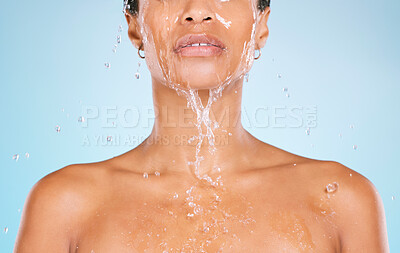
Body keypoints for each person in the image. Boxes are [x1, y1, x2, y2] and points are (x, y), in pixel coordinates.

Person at [14, 0, 389, 251]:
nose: (197, 11)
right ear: (135, 28)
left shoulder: (340, 201)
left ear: (261, 24)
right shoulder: (65, 204)